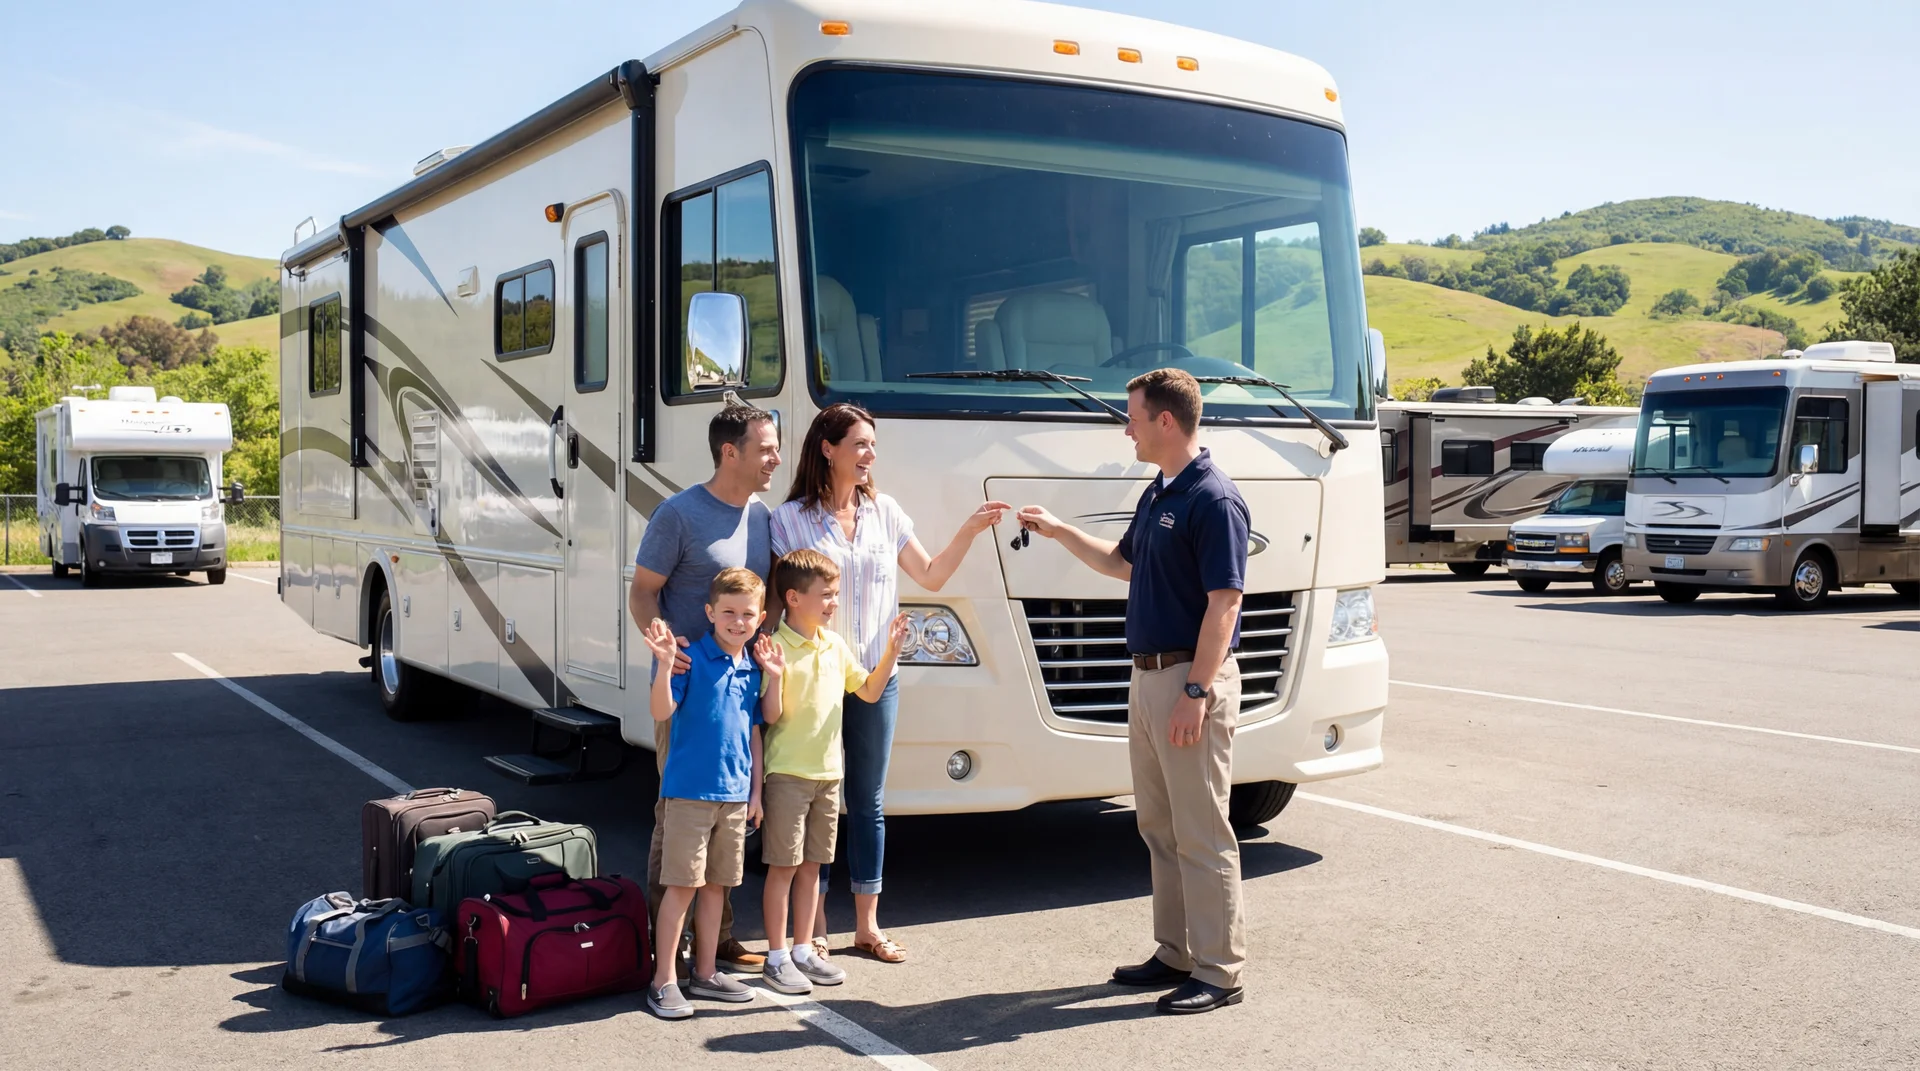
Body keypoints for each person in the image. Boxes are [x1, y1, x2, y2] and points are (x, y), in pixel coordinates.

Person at [1015, 368, 1251, 1016]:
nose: (1127, 427)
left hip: (1186, 678)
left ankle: (1219, 970)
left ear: (1166, 422)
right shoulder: (1160, 491)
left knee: (1202, 831)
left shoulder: (1214, 498)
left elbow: (1224, 606)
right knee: (1160, 826)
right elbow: (1124, 564)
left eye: (1134, 416)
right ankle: (1175, 951)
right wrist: (1060, 530)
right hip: (1148, 677)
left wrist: (1196, 691)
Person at [769, 402, 1008, 964]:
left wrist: (969, 530)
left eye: (873, 445)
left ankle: (868, 927)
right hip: (818, 682)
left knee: (868, 802)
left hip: (878, 675)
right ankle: (814, 927)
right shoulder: (790, 520)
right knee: (815, 798)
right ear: (827, 449)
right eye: (860, 444)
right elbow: (782, 603)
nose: (870, 455)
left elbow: (930, 574)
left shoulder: (887, 513)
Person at [628, 402, 780, 976]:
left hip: (740, 690)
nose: (775, 458)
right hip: (686, 695)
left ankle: (716, 942)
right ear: (729, 452)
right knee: (678, 824)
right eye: (765, 448)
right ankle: (659, 947)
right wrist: (665, 645)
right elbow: (644, 592)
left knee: (727, 826)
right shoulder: (679, 514)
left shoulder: (763, 517)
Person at [760, 549, 909, 994]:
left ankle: (803, 950)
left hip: (829, 776)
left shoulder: (834, 644)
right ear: (793, 598)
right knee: (782, 869)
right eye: (826, 595)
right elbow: (769, 717)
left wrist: (891, 652)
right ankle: (776, 955)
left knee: (813, 865)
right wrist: (772, 674)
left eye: (836, 594)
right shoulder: (776, 647)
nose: (834, 603)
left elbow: (867, 691)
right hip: (786, 774)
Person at [640, 567, 783, 1020]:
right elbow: (661, 709)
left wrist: (755, 793)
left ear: (760, 618)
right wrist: (664, 666)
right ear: (710, 612)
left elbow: (759, 729)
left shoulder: (750, 667)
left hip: (735, 797)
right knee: (682, 888)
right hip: (689, 795)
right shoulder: (690, 658)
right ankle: (664, 979)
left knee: (717, 888)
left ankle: (704, 973)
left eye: (746, 614)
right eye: (728, 612)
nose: (737, 622)